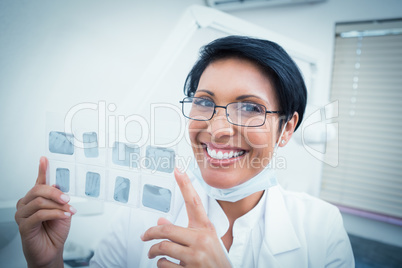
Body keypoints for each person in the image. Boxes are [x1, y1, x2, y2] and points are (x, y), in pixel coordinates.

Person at [15, 36, 354, 267]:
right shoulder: (143, 209)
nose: (218, 129)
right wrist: (47, 263)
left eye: (250, 108)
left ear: (287, 129)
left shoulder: (320, 228)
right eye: (204, 102)